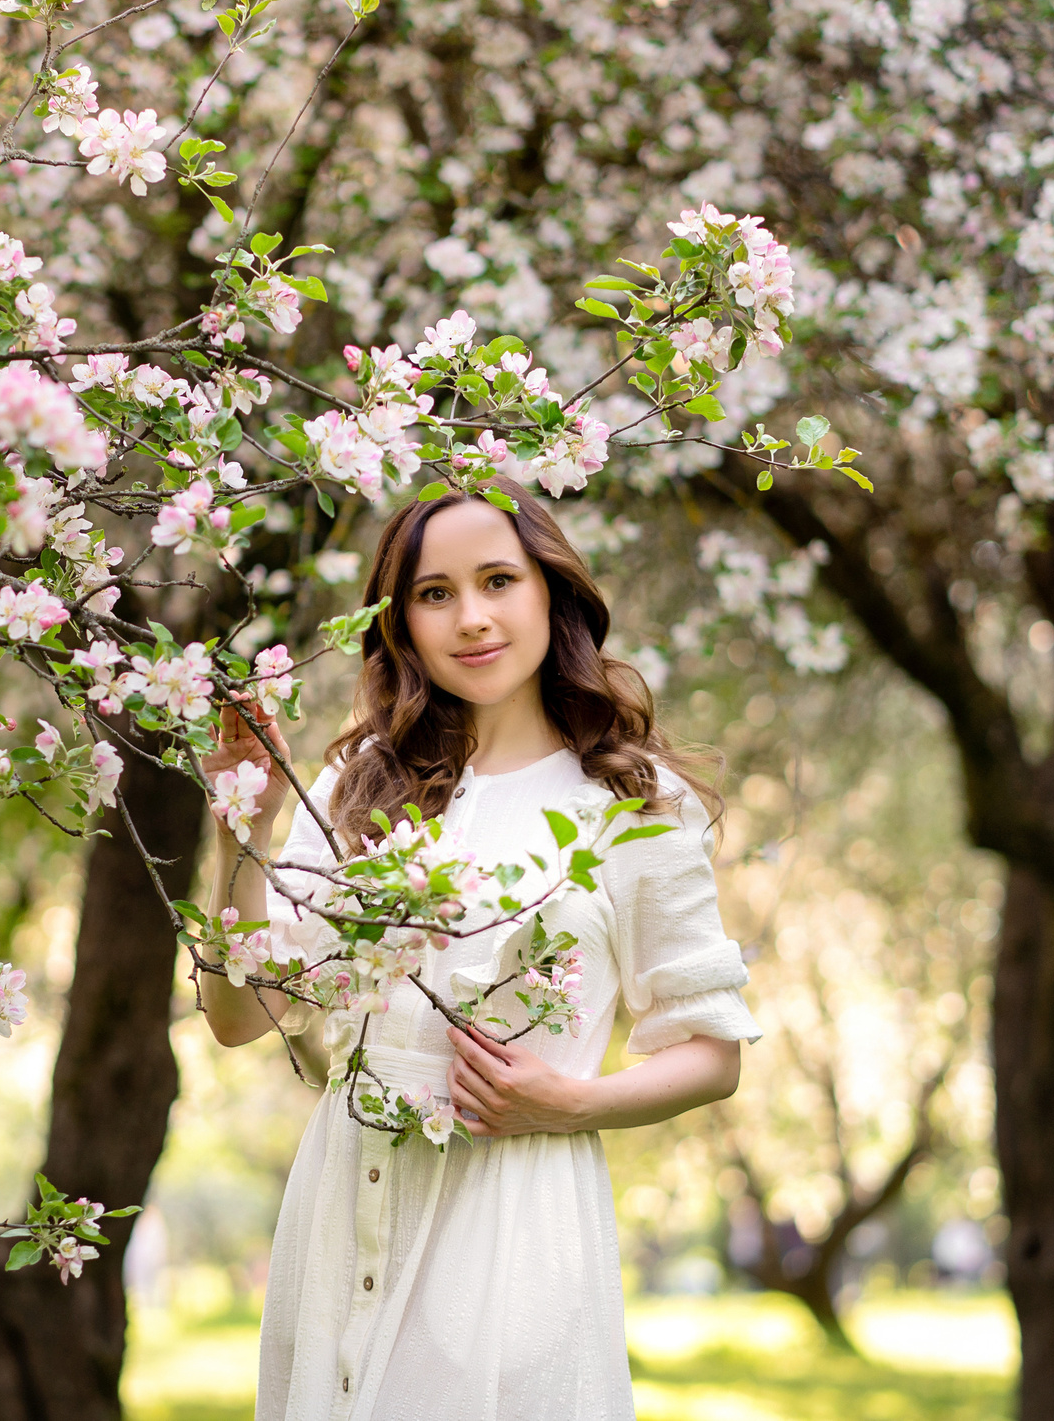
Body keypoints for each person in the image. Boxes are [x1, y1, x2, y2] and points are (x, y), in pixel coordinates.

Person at [199, 484, 761, 1421]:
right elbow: (237, 1017)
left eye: (498, 579)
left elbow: (713, 1053)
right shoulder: (356, 784)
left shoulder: (631, 803)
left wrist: (573, 1102)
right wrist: (242, 835)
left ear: (550, 591)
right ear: (402, 624)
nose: (472, 617)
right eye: (433, 593)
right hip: (347, 1202)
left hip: (512, 1212)